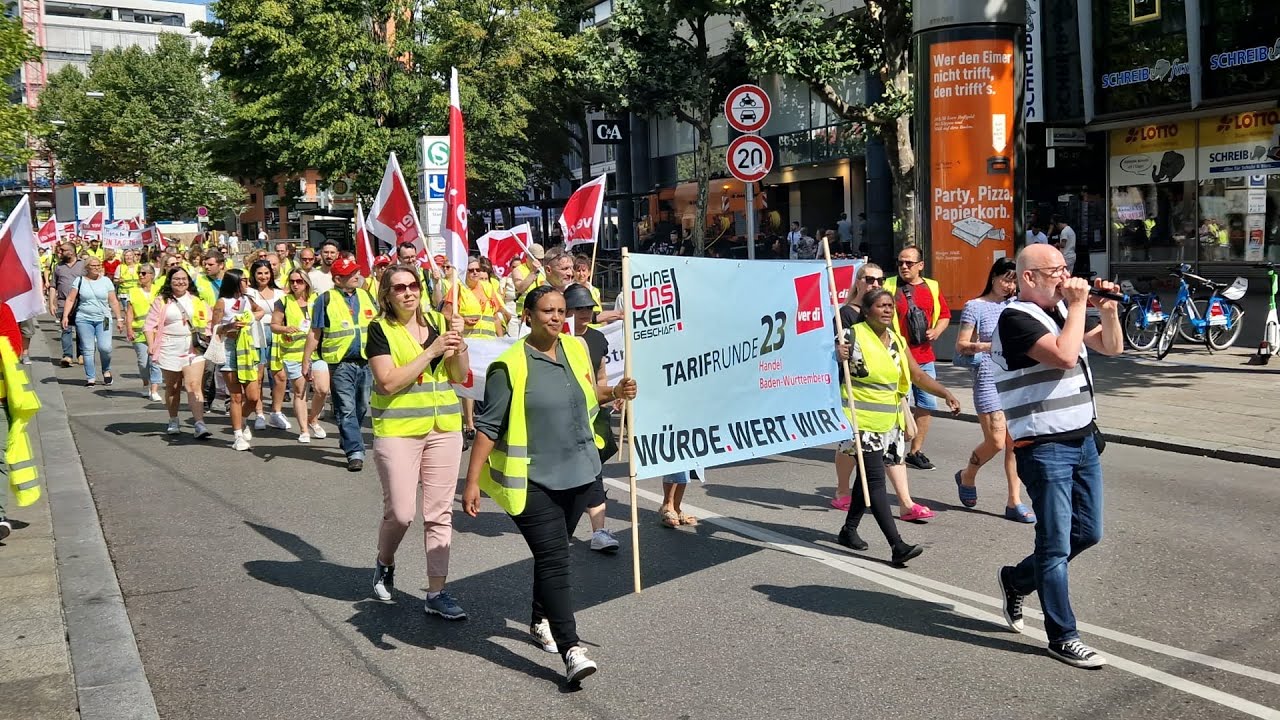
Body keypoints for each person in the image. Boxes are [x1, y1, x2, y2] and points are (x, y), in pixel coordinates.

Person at [462, 285, 638, 684]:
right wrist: (472, 482)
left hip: (580, 472)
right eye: (548, 311)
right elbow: (489, 426)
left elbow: (590, 394)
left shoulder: (576, 349)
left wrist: (616, 392)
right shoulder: (509, 366)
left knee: (552, 554)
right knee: (557, 558)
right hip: (534, 480)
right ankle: (572, 648)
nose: (557, 318)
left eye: (561, 311)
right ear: (527, 316)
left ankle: (539, 618)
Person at [993, 245, 1123, 669]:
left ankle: (1016, 579)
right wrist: (1079, 304)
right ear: (1028, 277)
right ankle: (1062, 636)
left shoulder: (1056, 315)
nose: (1066, 277)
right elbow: (1066, 355)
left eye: (1066, 269)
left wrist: (1106, 310)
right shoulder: (1014, 319)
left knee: (1087, 533)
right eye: (1056, 271)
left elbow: (1112, 348)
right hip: (1045, 447)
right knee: (1053, 544)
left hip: (1083, 440)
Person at [367, 265, 471, 618]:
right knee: (401, 512)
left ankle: (437, 592)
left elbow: (458, 376)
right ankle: (385, 561)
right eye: (399, 288)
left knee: (439, 513)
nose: (409, 292)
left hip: (443, 428)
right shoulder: (379, 329)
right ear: (387, 295)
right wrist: (431, 351)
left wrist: (459, 344)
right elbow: (388, 383)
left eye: (413, 285)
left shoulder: (440, 325)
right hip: (398, 431)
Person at [833, 288, 961, 566]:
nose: (888, 310)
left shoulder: (898, 341)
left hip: (889, 422)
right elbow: (824, 368)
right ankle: (897, 545)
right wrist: (836, 355)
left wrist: (945, 393)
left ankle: (848, 530)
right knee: (876, 480)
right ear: (866, 311)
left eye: (891, 305)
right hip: (859, 421)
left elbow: (916, 375)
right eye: (881, 306)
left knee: (866, 479)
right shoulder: (850, 337)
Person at [953, 258, 1034, 523]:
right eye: (1005, 278)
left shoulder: (1018, 305)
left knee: (1015, 444)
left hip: (1016, 379)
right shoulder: (975, 306)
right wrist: (992, 346)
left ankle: (1014, 501)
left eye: (1014, 280)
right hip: (988, 378)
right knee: (997, 442)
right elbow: (961, 345)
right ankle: (967, 475)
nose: (1009, 285)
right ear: (993, 277)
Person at [302, 257, 377, 471]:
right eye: (350, 274)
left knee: (362, 406)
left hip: (365, 361)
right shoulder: (324, 300)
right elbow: (315, 332)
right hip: (340, 363)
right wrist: (306, 360)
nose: (356, 276)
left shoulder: (366, 296)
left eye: (357, 272)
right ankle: (355, 451)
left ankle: (348, 437)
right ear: (337, 279)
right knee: (346, 408)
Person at [564, 283, 621, 552]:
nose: (585, 312)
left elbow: (600, 375)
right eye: (578, 308)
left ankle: (599, 532)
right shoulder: (556, 338)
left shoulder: (598, 339)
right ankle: (561, 530)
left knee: (594, 469)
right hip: (560, 420)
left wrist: (611, 395)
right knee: (565, 476)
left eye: (588, 308)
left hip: (591, 417)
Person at [884, 246, 951, 471]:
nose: (904, 266)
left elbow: (944, 315)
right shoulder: (888, 285)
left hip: (924, 356)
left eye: (909, 263)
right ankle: (893, 448)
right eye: (901, 262)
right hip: (896, 356)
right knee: (897, 406)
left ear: (920, 265)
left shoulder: (932, 286)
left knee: (927, 404)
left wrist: (938, 331)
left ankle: (915, 450)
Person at [144, 267, 213, 438]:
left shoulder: (197, 301)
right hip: (169, 346)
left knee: (194, 385)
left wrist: (210, 336)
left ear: (189, 281)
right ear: (170, 281)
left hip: (193, 347)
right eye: (176, 279)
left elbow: (210, 322)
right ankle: (173, 419)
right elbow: (149, 325)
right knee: (173, 387)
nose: (180, 282)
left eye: (184, 278)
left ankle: (199, 423)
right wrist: (151, 345)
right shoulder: (161, 301)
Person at [270, 269, 330, 443]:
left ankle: (313, 418)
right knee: (300, 391)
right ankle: (304, 429)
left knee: (322, 389)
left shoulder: (317, 299)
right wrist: (284, 328)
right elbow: (274, 325)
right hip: (293, 352)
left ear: (306, 283)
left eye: (299, 281)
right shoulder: (283, 302)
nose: (295, 284)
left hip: (316, 351)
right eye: (292, 281)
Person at [211, 268, 264, 451]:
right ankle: (238, 435)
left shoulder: (247, 299)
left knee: (253, 396)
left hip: (247, 349)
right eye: (244, 280)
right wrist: (230, 326)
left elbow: (260, 312)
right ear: (234, 282)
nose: (247, 283)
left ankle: (241, 420)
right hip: (229, 350)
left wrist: (249, 318)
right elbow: (215, 329)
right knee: (235, 395)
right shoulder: (222, 302)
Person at [61, 256, 124, 387]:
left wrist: (119, 318)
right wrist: (65, 316)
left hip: (104, 318)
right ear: (87, 267)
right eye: (93, 265)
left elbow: (113, 301)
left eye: (98, 265)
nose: (96, 268)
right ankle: (91, 377)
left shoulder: (106, 281)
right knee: (88, 349)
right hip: (84, 319)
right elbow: (71, 299)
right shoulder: (79, 281)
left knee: (105, 347)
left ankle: (106, 369)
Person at [247, 259, 290, 432]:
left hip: (277, 334)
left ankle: (276, 411)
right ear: (254, 275)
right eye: (259, 273)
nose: (263, 276)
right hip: (256, 334)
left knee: (280, 376)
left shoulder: (280, 293)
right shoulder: (249, 293)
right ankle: (259, 413)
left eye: (266, 273)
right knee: (258, 376)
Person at [124, 264, 163, 402]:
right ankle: (146, 382)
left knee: (155, 360)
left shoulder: (159, 290)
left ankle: (154, 389)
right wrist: (128, 329)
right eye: (139, 273)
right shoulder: (133, 291)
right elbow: (129, 313)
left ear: (152, 275)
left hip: (156, 331)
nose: (141, 275)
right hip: (139, 331)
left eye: (144, 273)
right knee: (143, 362)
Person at [48, 242, 84, 367]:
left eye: (63, 250)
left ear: (71, 252)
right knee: (66, 329)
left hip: (81, 302)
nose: (60, 252)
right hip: (63, 302)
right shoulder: (58, 267)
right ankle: (67, 356)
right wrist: (51, 303)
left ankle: (81, 354)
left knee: (81, 329)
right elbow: (53, 286)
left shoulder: (83, 265)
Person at [511, 243, 546, 316]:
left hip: (541, 312)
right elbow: (520, 288)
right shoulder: (518, 270)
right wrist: (534, 272)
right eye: (537, 259)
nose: (539, 262)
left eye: (541, 259)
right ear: (528, 257)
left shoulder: (544, 271)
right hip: (524, 314)